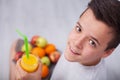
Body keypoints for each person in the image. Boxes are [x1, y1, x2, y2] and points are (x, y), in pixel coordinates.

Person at [9, 0, 120, 80]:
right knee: (17, 44)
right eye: (79, 29)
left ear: (107, 52)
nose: (76, 43)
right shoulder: (79, 55)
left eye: (92, 42)